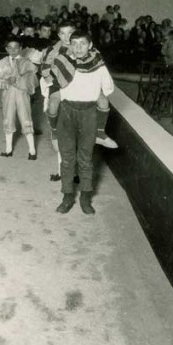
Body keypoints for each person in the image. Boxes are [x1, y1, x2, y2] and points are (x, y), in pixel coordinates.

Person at [55, 31, 115, 215]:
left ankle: (85, 198)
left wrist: (96, 93)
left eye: (82, 43)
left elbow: (108, 89)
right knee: (67, 158)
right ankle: (67, 197)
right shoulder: (63, 62)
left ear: (90, 45)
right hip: (66, 112)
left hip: (89, 113)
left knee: (85, 159)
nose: (78, 47)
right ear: (69, 45)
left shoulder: (99, 66)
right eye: (74, 43)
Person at [0, 36, 38, 159]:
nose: (13, 50)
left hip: (22, 94)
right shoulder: (2, 63)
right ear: (6, 49)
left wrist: (23, 81)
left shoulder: (27, 62)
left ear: (20, 48)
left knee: (26, 118)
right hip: (8, 95)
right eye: (10, 48)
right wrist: (6, 81)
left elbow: (34, 81)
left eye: (16, 47)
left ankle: (32, 151)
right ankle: (8, 150)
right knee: (8, 118)